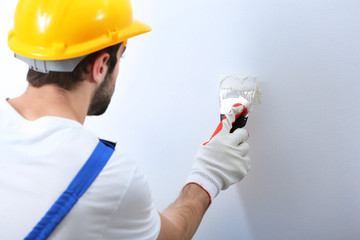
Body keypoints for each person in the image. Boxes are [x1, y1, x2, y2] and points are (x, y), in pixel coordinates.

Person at [0, 0, 251, 239]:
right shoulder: (109, 178)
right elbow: (171, 235)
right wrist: (208, 174)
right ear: (100, 66)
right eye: (122, 56)